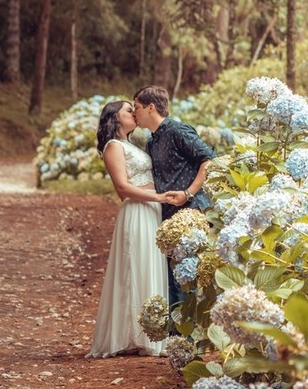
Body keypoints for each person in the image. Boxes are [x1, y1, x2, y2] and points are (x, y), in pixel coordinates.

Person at [87, 100, 184, 358]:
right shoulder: (113, 146)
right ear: (115, 118)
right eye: (128, 110)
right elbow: (122, 189)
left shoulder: (132, 145)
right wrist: (159, 197)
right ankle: (131, 335)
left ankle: (150, 335)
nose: (134, 113)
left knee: (150, 267)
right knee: (136, 267)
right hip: (138, 211)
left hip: (151, 210)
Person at [132, 85, 215, 308]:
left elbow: (209, 160)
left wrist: (188, 193)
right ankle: (176, 339)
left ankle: (186, 338)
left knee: (186, 281)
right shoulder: (151, 141)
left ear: (151, 108)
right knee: (171, 282)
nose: (133, 113)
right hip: (168, 218)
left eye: (136, 107)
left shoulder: (178, 131)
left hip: (191, 213)